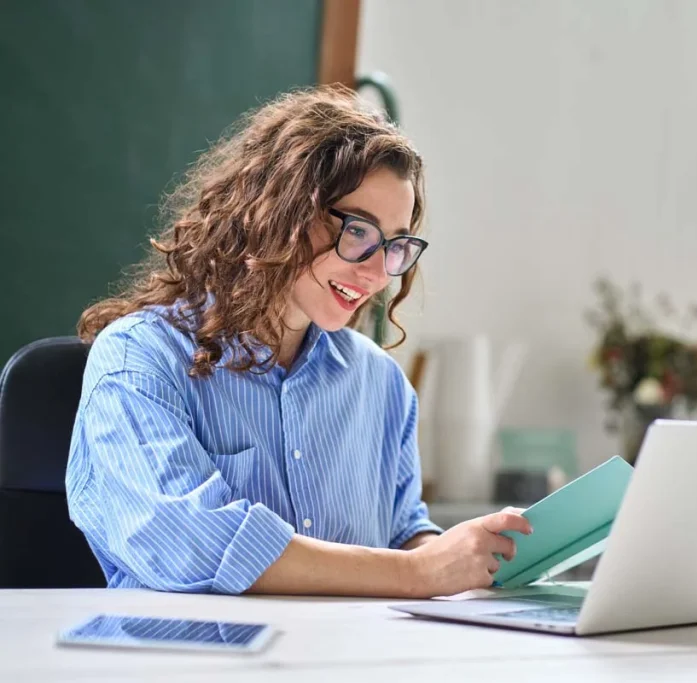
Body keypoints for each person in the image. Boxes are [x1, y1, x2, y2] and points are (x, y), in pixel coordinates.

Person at [65, 85, 531, 597]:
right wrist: (417, 574)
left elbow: (403, 534)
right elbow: (191, 543)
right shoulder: (138, 358)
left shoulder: (381, 383)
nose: (379, 272)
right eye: (358, 232)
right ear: (280, 214)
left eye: (396, 245)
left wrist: (476, 556)